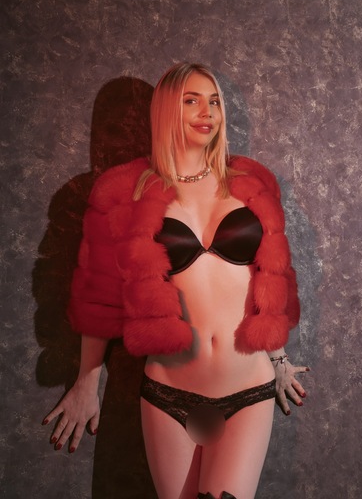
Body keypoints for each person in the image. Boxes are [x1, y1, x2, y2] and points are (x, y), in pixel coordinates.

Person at [43, 62, 309, 499]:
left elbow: (270, 276)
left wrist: (279, 358)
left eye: (215, 101)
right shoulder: (123, 192)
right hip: (168, 393)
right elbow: (100, 297)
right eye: (192, 101)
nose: (208, 112)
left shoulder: (252, 182)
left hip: (247, 387)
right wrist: (86, 383)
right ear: (167, 110)